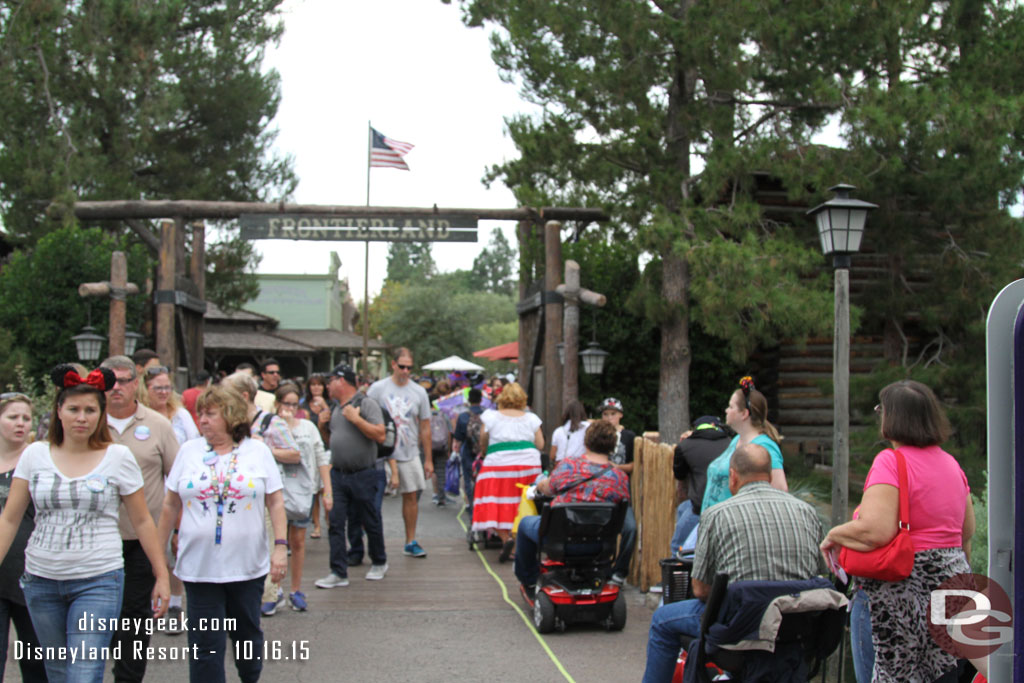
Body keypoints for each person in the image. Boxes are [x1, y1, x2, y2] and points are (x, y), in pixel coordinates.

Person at [0, 365, 169, 683]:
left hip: (98, 579)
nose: (82, 417)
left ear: (101, 415)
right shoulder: (35, 455)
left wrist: (161, 574)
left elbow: (143, 520)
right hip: (41, 580)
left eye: (90, 410)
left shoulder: (118, 457)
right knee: (58, 671)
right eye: (74, 409)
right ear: (59, 412)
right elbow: (9, 519)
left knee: (84, 673)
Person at [821, 380, 974, 683]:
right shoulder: (951, 464)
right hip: (952, 597)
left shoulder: (890, 462)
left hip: (894, 603)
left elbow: (876, 531)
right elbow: (965, 534)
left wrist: (834, 534)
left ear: (891, 417)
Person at [643, 443, 823, 682]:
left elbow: (701, 589)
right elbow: (820, 574)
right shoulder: (806, 511)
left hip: (739, 626)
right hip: (793, 626)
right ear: (770, 476)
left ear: (733, 476)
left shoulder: (717, 514)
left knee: (662, 620)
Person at [156, 383, 288, 683]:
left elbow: (276, 501)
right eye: (200, 413)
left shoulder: (257, 451)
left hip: (246, 567)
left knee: (246, 639)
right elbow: (169, 504)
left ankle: (250, 678)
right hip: (199, 569)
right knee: (206, 648)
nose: (202, 420)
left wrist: (280, 547)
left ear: (230, 416)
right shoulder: (189, 451)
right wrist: (158, 554)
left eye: (210, 414)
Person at [99, 355, 182, 675]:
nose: (116, 387)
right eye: (110, 380)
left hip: (142, 540)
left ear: (137, 384)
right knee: (97, 617)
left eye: (124, 380)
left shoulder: (158, 425)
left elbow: (176, 483)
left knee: (134, 618)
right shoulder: (87, 420)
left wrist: (177, 531)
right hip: (97, 539)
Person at [514, 419, 630, 595]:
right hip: (600, 544)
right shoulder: (619, 478)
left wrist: (539, 484)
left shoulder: (569, 466)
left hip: (561, 539)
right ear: (613, 446)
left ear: (586, 441)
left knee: (525, 524)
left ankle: (529, 579)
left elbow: (548, 489)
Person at [221, 373, 300, 617]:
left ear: (244, 395)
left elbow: (294, 454)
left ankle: (269, 593)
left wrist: (264, 448)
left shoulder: (271, 422)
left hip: (264, 495)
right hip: (234, 496)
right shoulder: (227, 423)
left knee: (263, 544)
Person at [315, 364, 389, 588]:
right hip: (338, 473)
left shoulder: (365, 403)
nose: (327, 386)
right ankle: (338, 571)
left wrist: (356, 419)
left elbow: (380, 434)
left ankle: (379, 561)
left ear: (342, 381)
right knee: (336, 522)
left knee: (370, 519)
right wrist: (322, 427)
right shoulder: (336, 409)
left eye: (331, 381)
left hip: (364, 473)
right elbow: (333, 442)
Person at [367, 348, 432, 559]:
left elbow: (425, 426)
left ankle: (410, 540)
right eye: (402, 366)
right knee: (372, 499)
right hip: (380, 451)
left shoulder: (419, 392)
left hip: (408, 450)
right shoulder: (378, 389)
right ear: (393, 364)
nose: (405, 371)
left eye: (409, 368)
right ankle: (371, 543)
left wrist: (428, 458)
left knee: (411, 495)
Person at [0, 393, 47, 682]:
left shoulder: (40, 461)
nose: (20, 423)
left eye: (25, 418)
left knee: (36, 663)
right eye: (12, 417)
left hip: (33, 575)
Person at [274, 384, 331, 611]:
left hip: (301, 490)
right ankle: (274, 589)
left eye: (293, 404)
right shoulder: (270, 426)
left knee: (298, 541)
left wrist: (327, 489)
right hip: (276, 492)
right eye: (285, 403)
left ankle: (295, 589)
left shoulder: (308, 427)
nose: (289, 408)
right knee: (275, 542)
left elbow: (320, 456)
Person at [471, 382, 543, 563]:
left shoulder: (491, 417)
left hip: (498, 465)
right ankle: (519, 543)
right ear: (522, 400)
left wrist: (488, 451)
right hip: (528, 465)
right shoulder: (532, 418)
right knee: (522, 504)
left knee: (495, 501)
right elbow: (540, 445)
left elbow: (483, 441)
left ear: (501, 398)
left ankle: (506, 540)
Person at [699, 376, 787, 513]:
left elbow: (780, 490)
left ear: (744, 414)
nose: (726, 410)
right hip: (714, 521)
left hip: (736, 525)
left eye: (731, 406)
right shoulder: (737, 440)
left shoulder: (764, 447)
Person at [670, 415, 731, 555]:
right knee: (682, 508)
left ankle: (678, 572)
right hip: (726, 506)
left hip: (700, 507)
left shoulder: (685, 446)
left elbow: (679, 474)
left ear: (695, 429)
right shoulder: (730, 443)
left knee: (678, 546)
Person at [599, 397, 638, 586]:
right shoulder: (597, 435)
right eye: (605, 414)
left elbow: (633, 465)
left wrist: (616, 467)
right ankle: (603, 568)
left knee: (630, 528)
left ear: (620, 415)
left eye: (612, 414)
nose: (609, 418)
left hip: (622, 491)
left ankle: (620, 571)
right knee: (603, 529)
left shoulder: (629, 437)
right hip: (600, 491)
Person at [143, 364, 201, 445]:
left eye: (167, 387)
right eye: (158, 388)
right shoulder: (139, 415)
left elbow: (195, 444)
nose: (164, 392)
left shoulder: (181, 414)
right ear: (145, 389)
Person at [302, 374, 331, 539]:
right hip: (309, 451)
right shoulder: (304, 406)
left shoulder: (330, 404)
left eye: (319, 385)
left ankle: (328, 520)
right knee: (313, 490)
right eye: (313, 385)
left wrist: (325, 406)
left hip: (327, 448)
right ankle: (316, 524)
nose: (316, 388)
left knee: (325, 487)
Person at [452, 388, 485, 510]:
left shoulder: (463, 416)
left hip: (468, 452)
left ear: (469, 400)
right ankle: (483, 507)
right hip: (484, 453)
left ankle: (472, 509)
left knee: (468, 481)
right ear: (481, 400)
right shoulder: (487, 414)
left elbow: (458, 437)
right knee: (483, 480)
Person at [428, 380, 453, 506]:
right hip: (442, 445)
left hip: (428, 445)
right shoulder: (444, 413)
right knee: (441, 470)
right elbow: (449, 431)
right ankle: (442, 496)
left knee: (432, 471)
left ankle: (434, 493)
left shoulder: (425, 414)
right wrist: (448, 447)